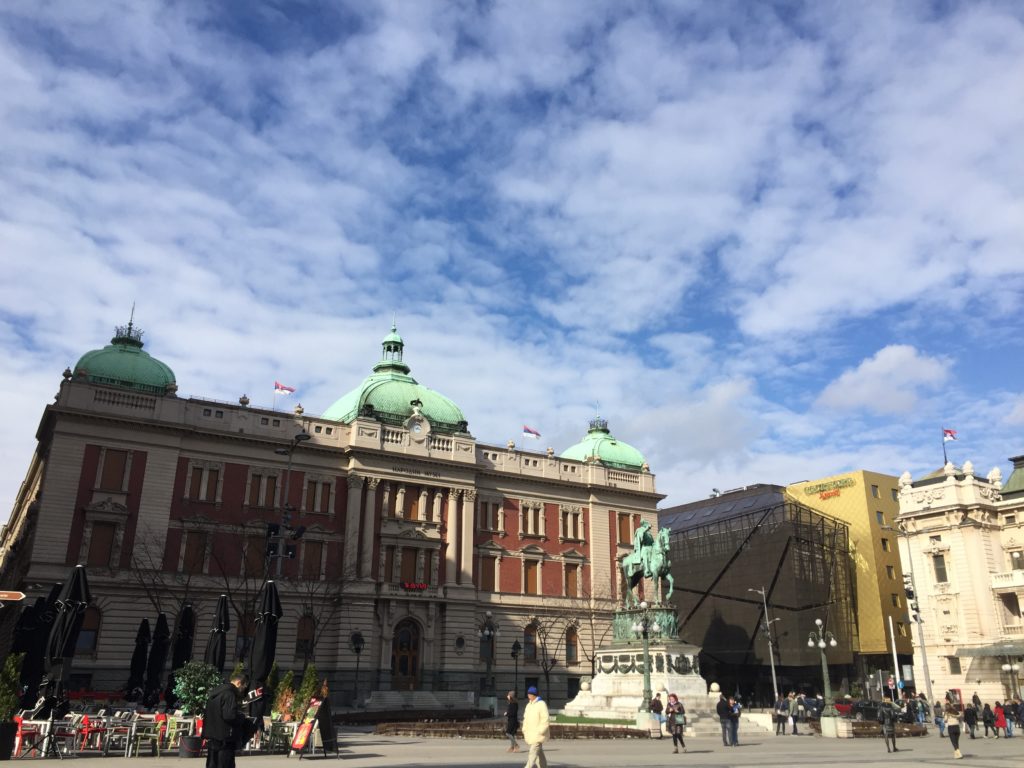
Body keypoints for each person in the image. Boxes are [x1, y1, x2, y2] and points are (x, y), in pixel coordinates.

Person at [203, 671, 249, 768]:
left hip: (212, 735)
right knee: (225, 763)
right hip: (225, 737)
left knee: (212, 764)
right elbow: (229, 716)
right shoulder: (229, 694)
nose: (243, 690)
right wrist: (241, 718)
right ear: (238, 683)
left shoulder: (215, 693)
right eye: (243, 686)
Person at [521, 686, 549, 768]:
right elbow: (525, 718)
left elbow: (545, 719)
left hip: (538, 734)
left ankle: (528, 766)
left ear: (534, 695)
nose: (528, 695)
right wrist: (524, 729)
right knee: (539, 753)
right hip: (530, 733)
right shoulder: (528, 705)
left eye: (530, 694)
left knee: (532, 752)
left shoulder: (541, 704)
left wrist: (541, 731)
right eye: (528, 694)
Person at [944, 695, 963, 760]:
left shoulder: (947, 713)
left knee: (953, 742)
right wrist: (954, 715)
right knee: (956, 741)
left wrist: (948, 715)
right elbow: (960, 715)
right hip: (957, 728)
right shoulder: (955, 711)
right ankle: (956, 754)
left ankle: (959, 753)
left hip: (951, 728)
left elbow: (945, 720)